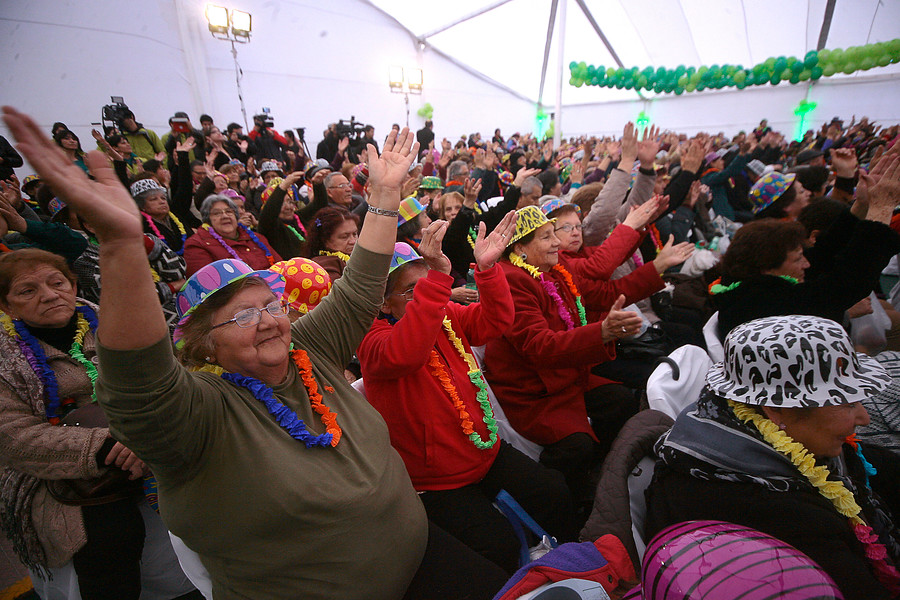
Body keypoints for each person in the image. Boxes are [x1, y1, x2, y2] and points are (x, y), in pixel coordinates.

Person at [3, 108, 510, 600]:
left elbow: (358, 287)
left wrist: (380, 198)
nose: (268, 320)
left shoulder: (305, 350)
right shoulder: (196, 412)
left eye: (271, 305)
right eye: (242, 315)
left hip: (421, 557)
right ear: (204, 344)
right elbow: (140, 381)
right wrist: (120, 246)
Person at [360, 216, 579, 574]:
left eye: (426, 283)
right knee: (499, 545)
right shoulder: (371, 339)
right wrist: (436, 283)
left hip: (484, 450)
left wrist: (489, 271)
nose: (427, 293)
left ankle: (579, 569)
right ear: (383, 304)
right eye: (411, 291)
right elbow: (407, 351)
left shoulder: (444, 313)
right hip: (435, 481)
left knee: (553, 493)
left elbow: (495, 322)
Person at [645, 315, 900, 600]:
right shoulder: (773, 511)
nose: (863, 417)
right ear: (776, 409)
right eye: (845, 401)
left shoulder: (733, 428)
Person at [0, 249, 198, 600]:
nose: (49, 294)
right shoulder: (5, 357)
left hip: (144, 444)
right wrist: (105, 446)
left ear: (73, 285)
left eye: (56, 282)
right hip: (58, 473)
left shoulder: (111, 321)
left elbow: (166, 378)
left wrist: (143, 434)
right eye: (27, 291)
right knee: (109, 536)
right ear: (7, 306)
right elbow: (13, 436)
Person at [484, 206, 691, 511]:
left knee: (619, 400)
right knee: (575, 445)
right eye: (546, 237)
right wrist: (601, 333)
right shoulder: (513, 281)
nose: (557, 242)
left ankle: (608, 473)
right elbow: (538, 346)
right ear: (520, 249)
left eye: (555, 233)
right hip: (534, 389)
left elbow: (606, 294)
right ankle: (567, 498)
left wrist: (656, 269)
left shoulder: (554, 271)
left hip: (567, 375)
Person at [711, 152, 900, 337]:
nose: (806, 264)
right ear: (766, 269)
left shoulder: (753, 282)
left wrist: (863, 203)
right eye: (798, 258)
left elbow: (822, 253)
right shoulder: (766, 303)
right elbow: (846, 284)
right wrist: (882, 207)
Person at [182, 194, 281, 276]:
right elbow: (206, 283)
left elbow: (279, 266)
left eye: (229, 211)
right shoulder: (197, 244)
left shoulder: (256, 238)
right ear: (208, 220)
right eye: (217, 213)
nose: (225, 216)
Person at [307, 206, 360, 281]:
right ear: (326, 240)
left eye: (354, 234)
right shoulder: (326, 265)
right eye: (344, 237)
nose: (353, 241)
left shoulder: (356, 257)